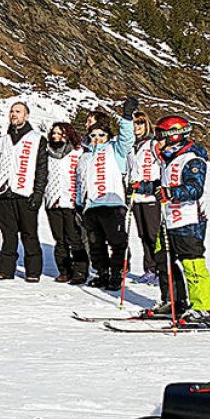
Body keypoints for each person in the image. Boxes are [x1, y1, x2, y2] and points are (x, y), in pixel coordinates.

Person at [151, 115, 210, 325]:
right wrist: (145, 187)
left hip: (188, 219)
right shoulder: (168, 158)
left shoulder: (192, 158)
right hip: (169, 219)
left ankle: (206, 307)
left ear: (174, 135)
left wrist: (171, 192)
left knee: (192, 263)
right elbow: (163, 186)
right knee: (163, 259)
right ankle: (174, 301)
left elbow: (195, 188)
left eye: (160, 134)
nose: (157, 139)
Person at [76, 98, 137, 291]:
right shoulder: (86, 156)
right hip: (92, 206)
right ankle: (102, 273)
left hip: (112, 204)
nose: (97, 138)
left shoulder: (115, 149)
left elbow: (127, 139)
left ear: (107, 135)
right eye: (93, 135)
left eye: (101, 134)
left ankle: (116, 273)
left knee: (117, 242)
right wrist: (80, 203)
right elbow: (81, 181)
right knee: (96, 244)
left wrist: (126, 117)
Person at [0, 102, 47, 281]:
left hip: (26, 193)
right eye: (12, 111)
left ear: (26, 115)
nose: (14, 114)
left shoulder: (37, 138)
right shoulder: (1, 140)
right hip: (4, 193)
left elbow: (41, 168)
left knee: (29, 234)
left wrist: (38, 193)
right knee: (8, 235)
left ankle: (33, 271)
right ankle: (6, 269)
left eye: (18, 111)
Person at [43, 122, 87, 284]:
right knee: (59, 239)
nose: (56, 136)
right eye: (53, 133)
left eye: (60, 133)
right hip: (52, 200)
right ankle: (64, 270)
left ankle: (80, 271)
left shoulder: (78, 152)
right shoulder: (46, 152)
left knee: (74, 238)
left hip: (72, 200)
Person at [127, 111, 162, 285]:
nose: (137, 127)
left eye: (140, 123)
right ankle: (149, 269)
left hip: (151, 195)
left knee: (153, 235)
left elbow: (163, 164)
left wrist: (155, 186)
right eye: (134, 124)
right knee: (142, 234)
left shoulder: (153, 144)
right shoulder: (132, 145)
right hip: (136, 197)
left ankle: (160, 269)